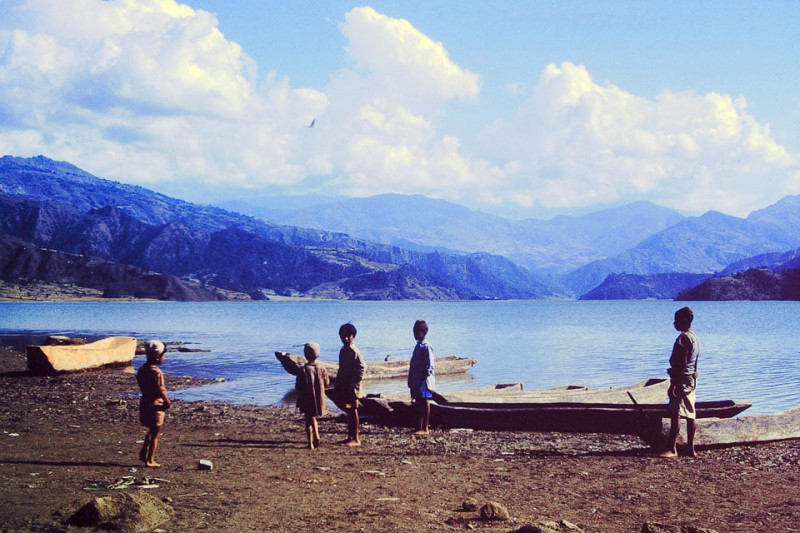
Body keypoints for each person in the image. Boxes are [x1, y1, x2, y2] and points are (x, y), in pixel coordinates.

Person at [662, 307, 700, 458]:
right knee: (690, 414)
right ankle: (691, 449)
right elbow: (694, 361)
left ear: (683, 321)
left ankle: (672, 448)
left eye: (676, 320)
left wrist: (674, 384)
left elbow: (681, 363)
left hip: (682, 379)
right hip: (691, 380)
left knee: (676, 413)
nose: (674, 323)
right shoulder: (694, 337)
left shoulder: (683, 338)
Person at [137, 340, 170, 468]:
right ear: (158, 357)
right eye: (163, 355)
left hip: (145, 401)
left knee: (152, 429)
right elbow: (161, 390)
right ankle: (150, 460)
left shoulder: (142, 370)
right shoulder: (157, 372)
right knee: (156, 431)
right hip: (156, 404)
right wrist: (167, 402)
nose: (164, 358)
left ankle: (144, 452)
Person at [335, 323, 365, 447]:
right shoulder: (343, 350)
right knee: (348, 410)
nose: (345, 338)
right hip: (345, 384)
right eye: (343, 336)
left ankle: (356, 439)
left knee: (353, 410)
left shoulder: (354, 351)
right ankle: (350, 436)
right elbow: (342, 368)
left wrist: (355, 381)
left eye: (348, 336)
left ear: (353, 337)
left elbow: (362, 367)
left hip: (352, 387)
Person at [296, 342, 329, 450]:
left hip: (307, 398)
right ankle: (317, 436)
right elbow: (327, 383)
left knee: (308, 420)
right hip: (319, 398)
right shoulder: (322, 368)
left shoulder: (303, 369)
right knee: (313, 417)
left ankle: (310, 443)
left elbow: (298, 386)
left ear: (305, 355)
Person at [408, 319, 435, 435]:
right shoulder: (418, 346)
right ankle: (419, 426)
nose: (414, 334)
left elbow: (430, 365)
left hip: (423, 380)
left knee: (424, 402)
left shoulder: (426, 346)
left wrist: (423, 379)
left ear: (422, 332)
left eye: (416, 331)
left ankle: (425, 428)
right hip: (417, 379)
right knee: (418, 403)